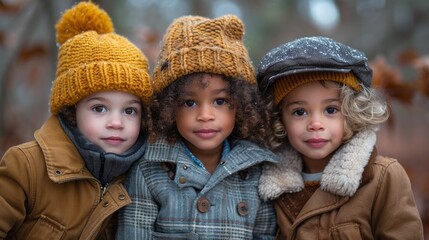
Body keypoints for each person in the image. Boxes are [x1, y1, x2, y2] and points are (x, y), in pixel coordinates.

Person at [116, 15, 279, 239]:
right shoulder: (149, 171)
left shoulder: (258, 172)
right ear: (168, 106)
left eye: (220, 101)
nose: (205, 116)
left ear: (240, 104)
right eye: (189, 102)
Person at [0, 2, 153, 239]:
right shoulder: (27, 166)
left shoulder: (141, 178)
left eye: (129, 111)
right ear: (72, 110)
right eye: (99, 108)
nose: (116, 122)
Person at [257, 36, 424, 239]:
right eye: (299, 112)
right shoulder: (268, 186)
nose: (315, 124)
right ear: (280, 119)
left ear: (351, 113)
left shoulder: (383, 179)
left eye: (330, 110)